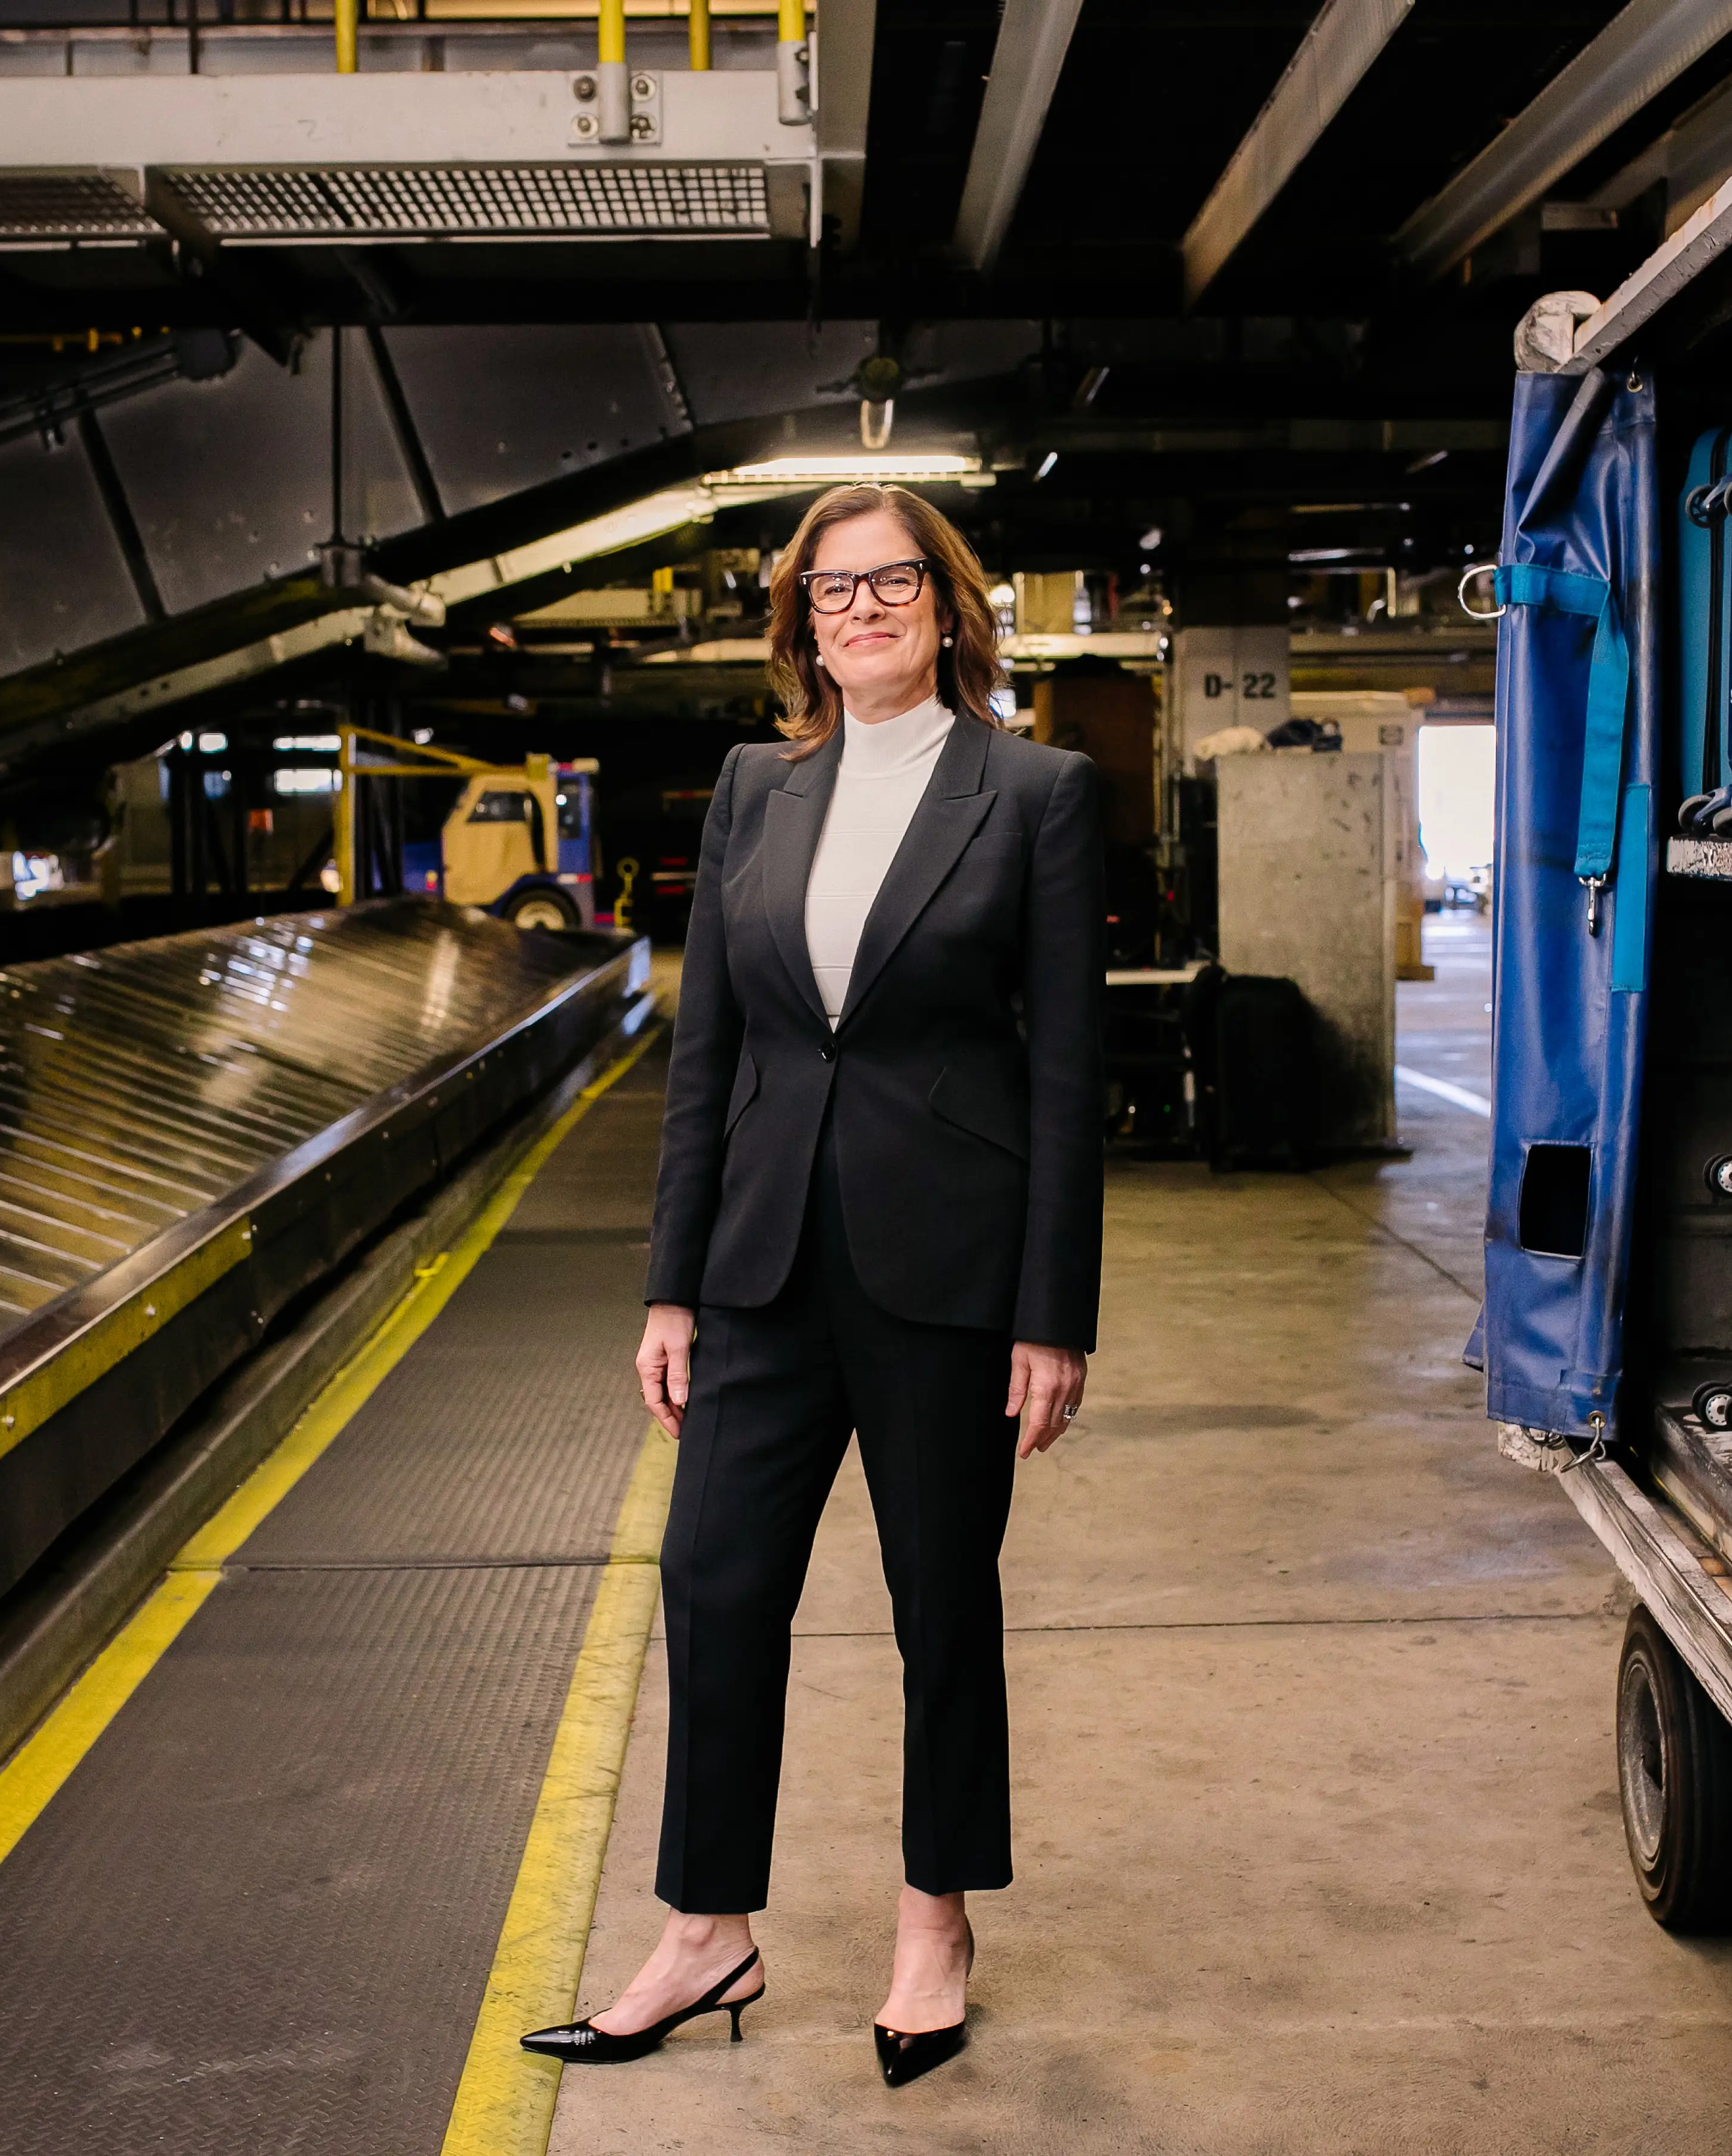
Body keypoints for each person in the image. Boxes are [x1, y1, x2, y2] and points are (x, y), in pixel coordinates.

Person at [520, 485, 1104, 2089]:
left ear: (947, 604)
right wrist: (667, 1286)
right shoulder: (753, 790)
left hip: (946, 1274)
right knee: (712, 1587)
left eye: (893, 581)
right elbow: (708, 1051)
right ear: (803, 624)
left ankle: (935, 1922)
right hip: (761, 1266)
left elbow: (1064, 1071)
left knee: (941, 1604)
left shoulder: (1037, 792)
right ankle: (709, 1930)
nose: (862, 609)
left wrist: (1057, 1312)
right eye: (832, 589)